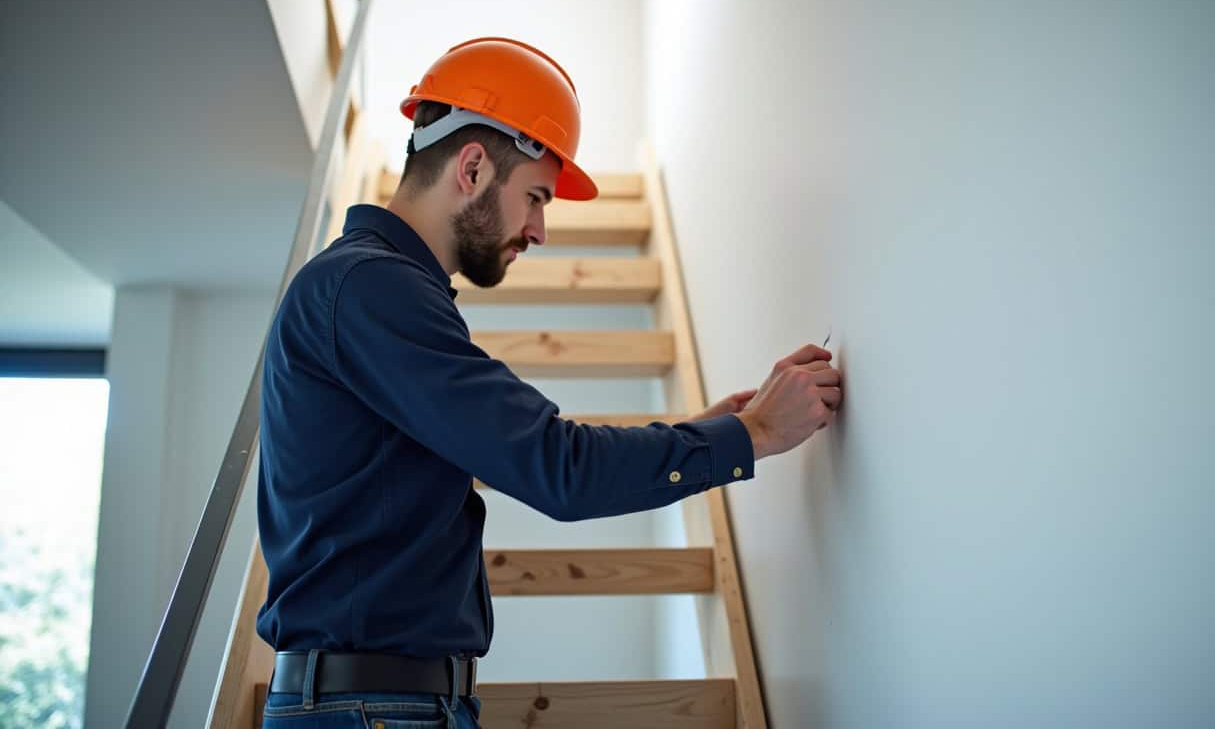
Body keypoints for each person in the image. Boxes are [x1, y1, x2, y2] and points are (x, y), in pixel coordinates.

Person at [254, 37, 843, 729]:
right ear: (472, 167)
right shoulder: (371, 288)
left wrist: (706, 433)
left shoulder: (371, 290)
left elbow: (539, 458)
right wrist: (751, 434)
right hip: (372, 709)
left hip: (382, 705)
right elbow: (558, 469)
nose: (540, 229)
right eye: (535, 196)